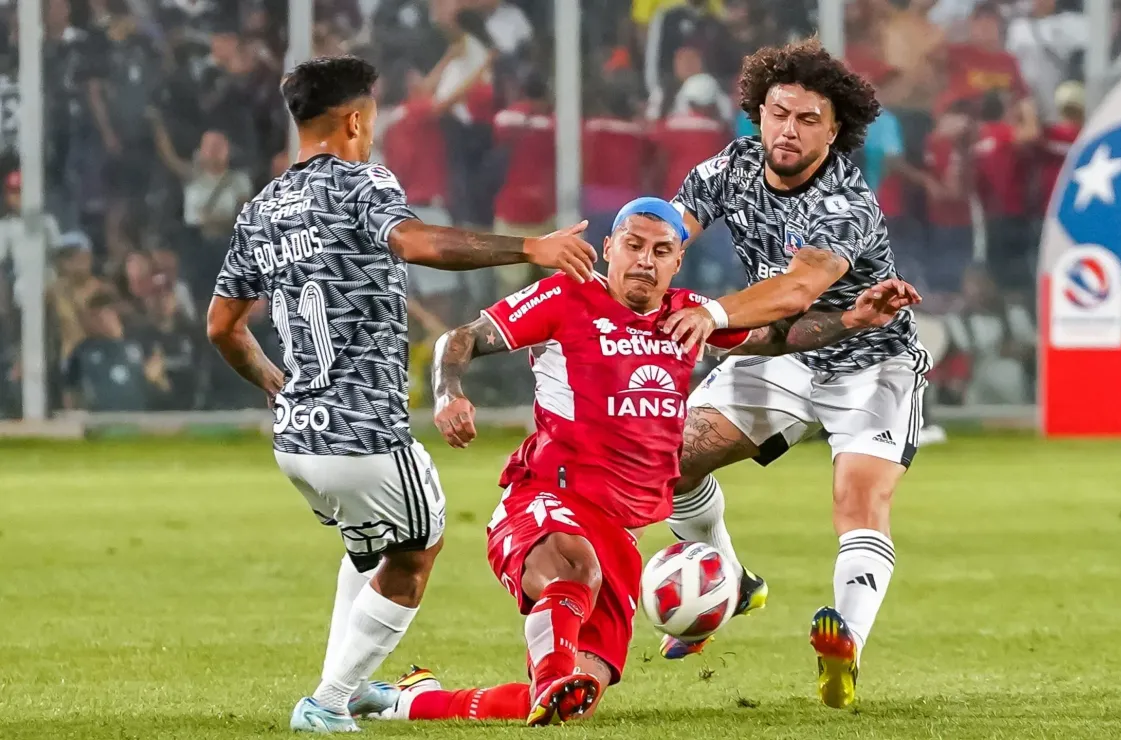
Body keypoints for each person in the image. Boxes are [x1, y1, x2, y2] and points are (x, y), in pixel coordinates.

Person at [376, 197, 918, 726]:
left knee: (574, 700)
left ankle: (406, 700)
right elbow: (462, 338)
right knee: (573, 570)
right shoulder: (566, 297)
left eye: (661, 251)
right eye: (633, 245)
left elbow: (776, 337)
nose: (645, 260)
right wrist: (449, 393)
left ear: (677, 261)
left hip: (619, 534)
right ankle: (551, 674)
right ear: (608, 247)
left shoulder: (690, 317)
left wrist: (851, 317)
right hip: (546, 498)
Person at [204, 55, 597, 734]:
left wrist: (275, 382)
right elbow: (414, 241)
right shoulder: (364, 183)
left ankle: (345, 689)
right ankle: (326, 703)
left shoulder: (261, 208)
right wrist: (529, 246)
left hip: (297, 438)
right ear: (356, 119)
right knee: (421, 543)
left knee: (369, 551)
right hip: (364, 433)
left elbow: (221, 326)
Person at [653, 39, 929, 711]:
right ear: (758, 112)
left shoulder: (844, 203)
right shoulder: (733, 164)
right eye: (778, 113)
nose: (788, 129)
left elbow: (795, 291)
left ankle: (846, 646)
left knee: (858, 500)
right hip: (783, 358)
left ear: (835, 131)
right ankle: (735, 583)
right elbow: (670, 227)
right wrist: (640, 263)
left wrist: (710, 313)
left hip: (872, 363)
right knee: (671, 460)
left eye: (808, 120)